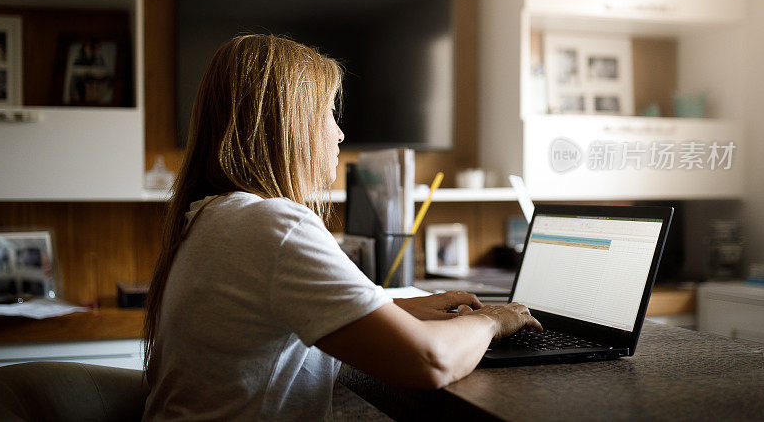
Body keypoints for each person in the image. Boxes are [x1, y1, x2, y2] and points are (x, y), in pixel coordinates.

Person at [141, 35, 541, 421]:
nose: (339, 133)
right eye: (329, 112)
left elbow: (276, 318)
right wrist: (490, 320)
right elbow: (430, 361)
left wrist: (395, 310)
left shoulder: (212, 216)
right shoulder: (274, 224)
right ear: (290, 123)